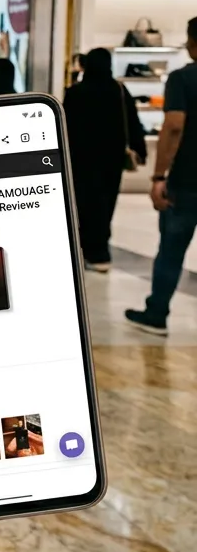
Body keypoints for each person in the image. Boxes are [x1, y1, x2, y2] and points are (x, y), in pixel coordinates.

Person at [128, 17, 197, 335]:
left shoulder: (183, 79)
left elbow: (173, 126)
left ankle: (157, 313)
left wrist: (158, 176)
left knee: (171, 248)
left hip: (187, 180)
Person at [63, 47, 146, 271]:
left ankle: (85, 249)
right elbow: (132, 121)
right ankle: (100, 251)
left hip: (82, 159)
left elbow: (65, 128)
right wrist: (140, 149)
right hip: (112, 158)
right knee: (105, 203)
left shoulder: (75, 93)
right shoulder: (118, 90)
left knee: (83, 203)